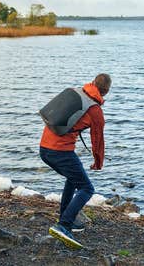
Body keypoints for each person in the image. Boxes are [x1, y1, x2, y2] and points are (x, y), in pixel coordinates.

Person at [39, 73, 111, 250]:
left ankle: (65, 216)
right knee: (87, 188)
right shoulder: (95, 111)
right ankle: (63, 225)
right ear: (106, 92)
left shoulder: (75, 92)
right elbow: (98, 141)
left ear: (93, 83)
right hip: (60, 152)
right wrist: (98, 162)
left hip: (44, 148)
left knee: (73, 178)